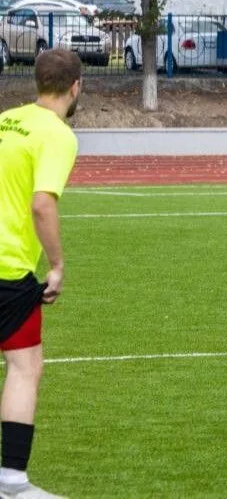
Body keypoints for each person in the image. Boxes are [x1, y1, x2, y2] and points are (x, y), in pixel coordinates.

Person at [0, 49, 81, 499]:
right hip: (8, 268)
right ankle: (11, 480)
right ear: (75, 86)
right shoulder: (58, 134)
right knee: (24, 366)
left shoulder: (6, 119)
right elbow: (41, 202)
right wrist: (57, 265)